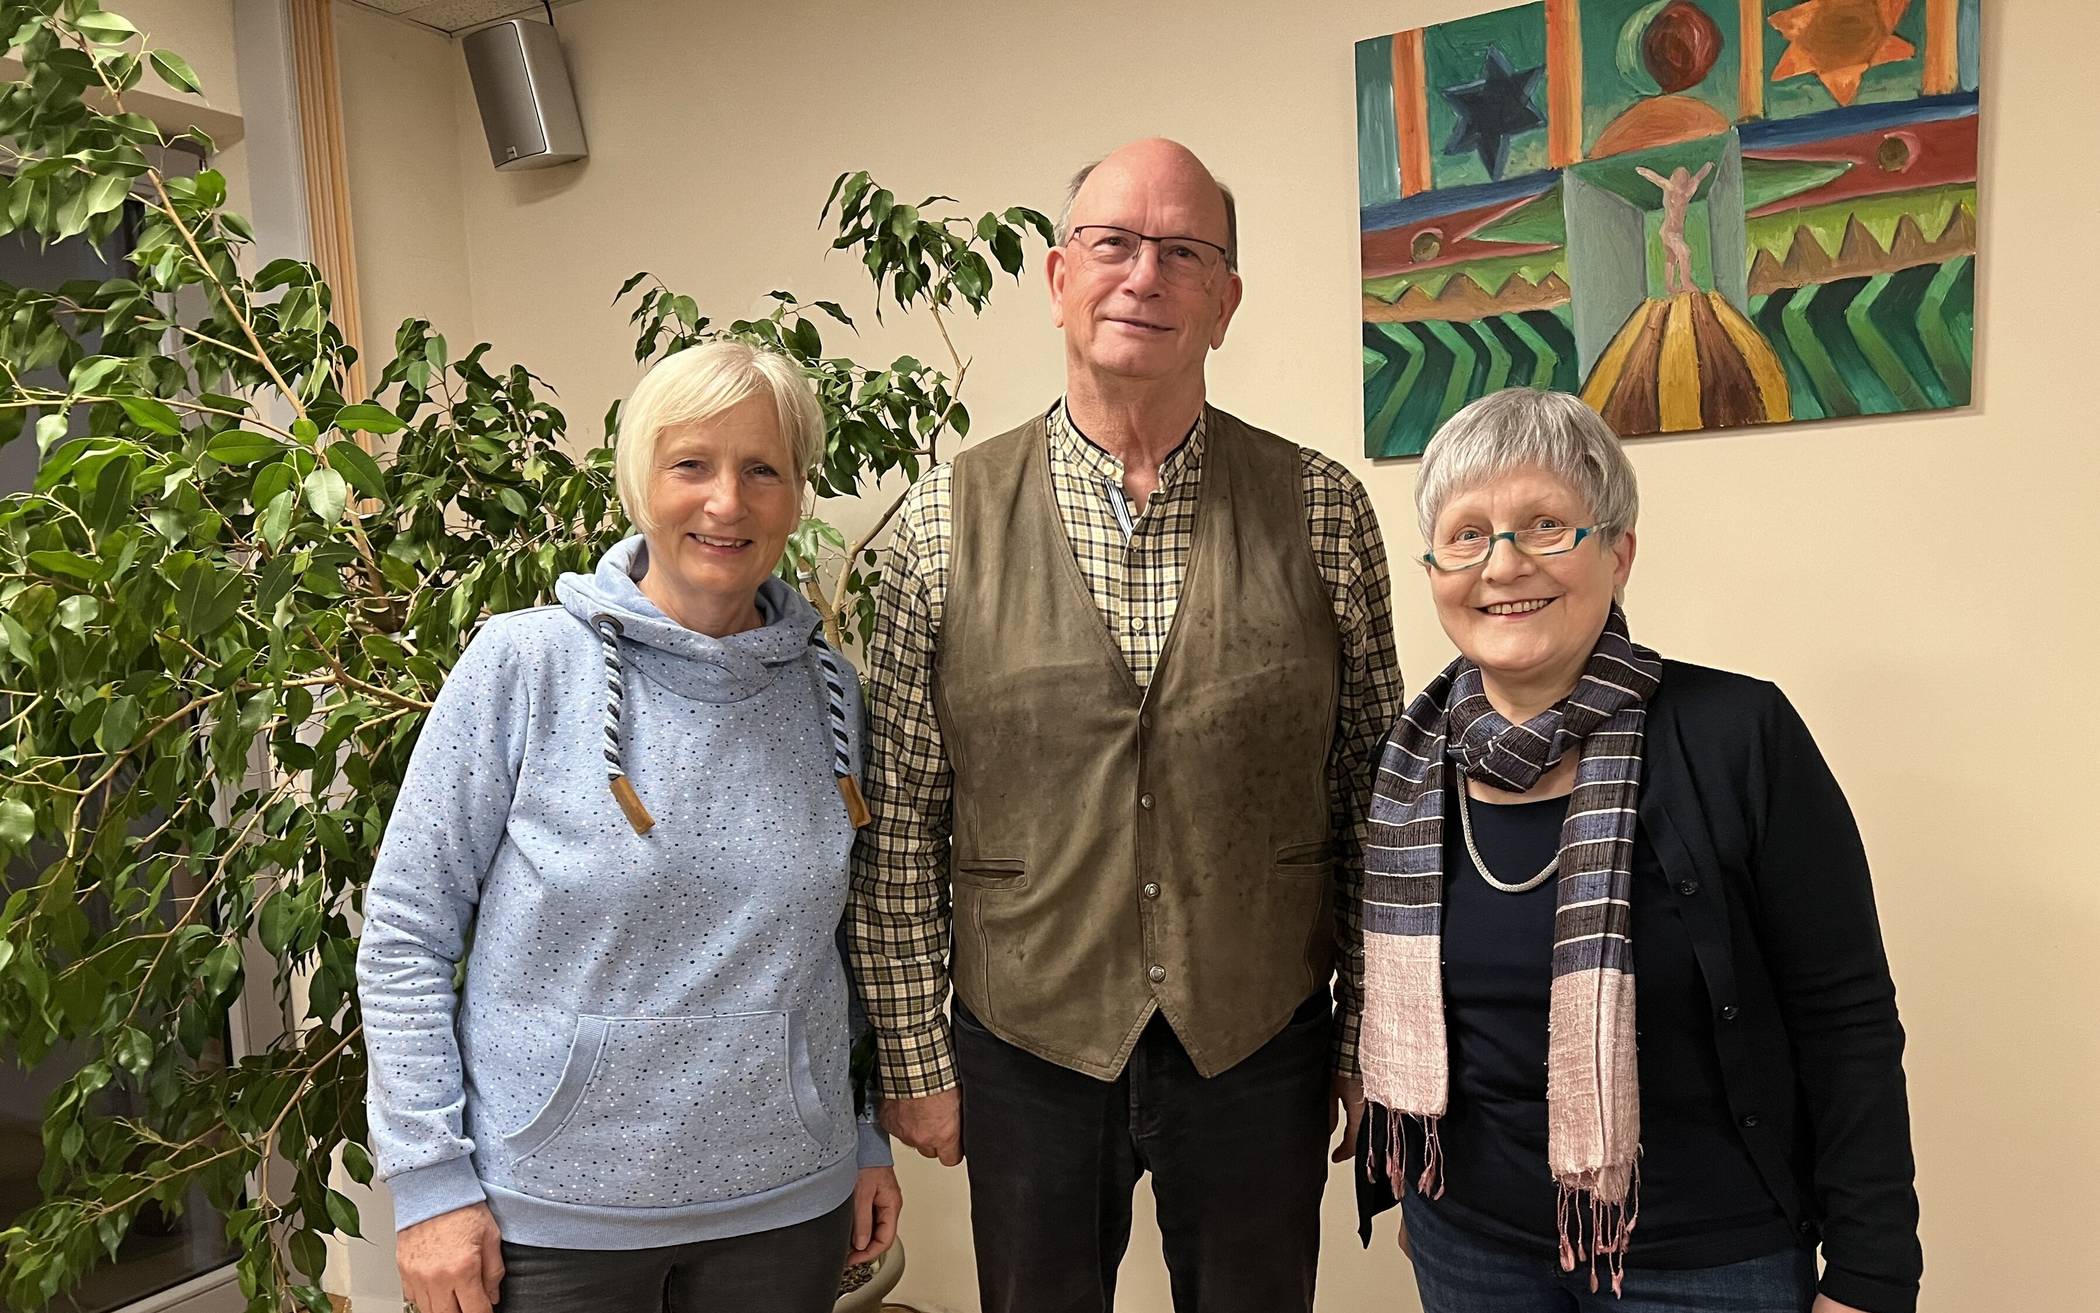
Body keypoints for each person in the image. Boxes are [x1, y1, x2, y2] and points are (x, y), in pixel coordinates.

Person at [846, 137, 1404, 1313]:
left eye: (1183, 251)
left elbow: (1377, 802)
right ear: (1058, 277)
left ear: (1225, 300)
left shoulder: (1322, 508)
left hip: (1263, 1032)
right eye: (1113, 243)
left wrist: (1372, 1038)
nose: (1143, 274)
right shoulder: (941, 519)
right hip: (1026, 1040)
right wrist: (914, 1055)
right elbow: (899, 825)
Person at [356, 340, 901, 1313]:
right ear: (639, 478)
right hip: (555, 1215)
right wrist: (431, 1185)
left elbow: (838, 943)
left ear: (796, 493)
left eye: (762, 469)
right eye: (692, 463)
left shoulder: (831, 694)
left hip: (786, 1204)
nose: (726, 502)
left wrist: (862, 1136)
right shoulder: (523, 669)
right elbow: (406, 931)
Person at [1355, 387, 1921, 1313]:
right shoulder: (1410, 767)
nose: (1503, 564)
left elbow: (1846, 1017)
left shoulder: (1741, 734)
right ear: (1434, 568)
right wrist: (1423, 1197)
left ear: (1618, 551)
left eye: (1546, 525)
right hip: (1469, 1247)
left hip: (1704, 1264)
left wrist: (1872, 1273)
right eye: (1466, 534)